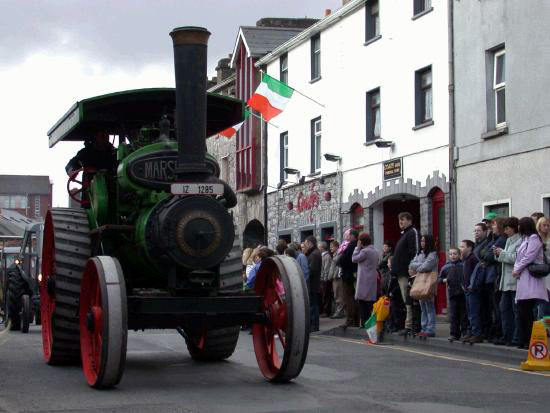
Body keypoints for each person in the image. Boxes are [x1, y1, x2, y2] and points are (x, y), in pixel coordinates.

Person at [513, 217, 549, 349]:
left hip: (530, 279)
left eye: (519, 225)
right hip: (524, 278)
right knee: (523, 311)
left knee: (526, 311)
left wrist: (517, 269)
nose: (518, 228)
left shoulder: (534, 238)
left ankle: (528, 340)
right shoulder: (526, 239)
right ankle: (524, 339)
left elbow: (529, 257)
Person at [65, 129, 117, 206]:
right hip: (90, 196)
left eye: (107, 136)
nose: (105, 138)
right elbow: (71, 165)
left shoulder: (114, 153)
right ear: (95, 137)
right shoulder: (86, 153)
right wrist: (72, 172)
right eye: (102, 136)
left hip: (113, 193)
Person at [494, 217, 522, 346]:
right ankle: (507, 336)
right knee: (504, 309)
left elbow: (517, 258)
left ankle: (516, 337)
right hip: (505, 282)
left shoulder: (520, 240)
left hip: (515, 282)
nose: (505, 231)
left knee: (515, 311)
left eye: (507, 228)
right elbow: (505, 258)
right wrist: (498, 254)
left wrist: (502, 253)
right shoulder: (509, 240)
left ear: (514, 228)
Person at [392, 212, 420, 335]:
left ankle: (410, 326)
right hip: (399, 272)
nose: (400, 223)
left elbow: (415, 251)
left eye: (403, 220)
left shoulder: (412, 232)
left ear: (409, 220)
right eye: (399, 220)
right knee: (404, 300)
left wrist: (412, 268)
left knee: (409, 300)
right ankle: (405, 324)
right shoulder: (405, 234)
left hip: (406, 272)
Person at [409, 234, 438, 337]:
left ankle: (430, 329)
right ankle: (424, 328)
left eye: (424, 241)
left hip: (429, 283)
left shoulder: (433, 254)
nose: (422, 243)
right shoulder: (420, 253)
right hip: (421, 282)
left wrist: (418, 265)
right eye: (421, 241)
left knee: (429, 307)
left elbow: (425, 267)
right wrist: (420, 265)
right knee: (423, 307)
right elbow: (411, 263)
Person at [438, 247, 468, 340]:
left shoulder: (463, 265)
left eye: (455, 254)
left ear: (459, 255)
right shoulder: (446, 267)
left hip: (463, 293)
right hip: (452, 294)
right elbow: (439, 279)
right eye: (451, 254)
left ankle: (465, 333)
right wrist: (443, 280)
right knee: (454, 314)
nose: (453, 256)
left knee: (464, 314)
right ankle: (454, 334)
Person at [352, 233, 379, 327]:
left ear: (361, 242)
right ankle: (371, 323)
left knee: (363, 303)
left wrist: (357, 248)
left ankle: (364, 323)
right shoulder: (375, 251)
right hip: (372, 279)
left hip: (364, 279)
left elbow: (354, 259)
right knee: (370, 303)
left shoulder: (365, 251)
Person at [339, 229, 359, 327]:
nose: (348, 237)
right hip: (352, 274)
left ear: (353, 236)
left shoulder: (351, 245)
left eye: (349, 235)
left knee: (348, 298)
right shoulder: (355, 245)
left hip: (348, 275)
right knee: (353, 297)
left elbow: (344, 259)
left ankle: (350, 319)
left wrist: (339, 261)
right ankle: (355, 319)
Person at [305, 236, 322, 332]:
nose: (305, 245)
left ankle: (314, 325)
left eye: (306, 243)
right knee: (313, 304)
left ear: (310, 243)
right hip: (313, 283)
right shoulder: (313, 253)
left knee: (313, 305)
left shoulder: (315, 254)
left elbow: (312, 270)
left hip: (313, 284)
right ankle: (313, 325)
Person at [535, 217, 550, 318]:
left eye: (548, 225)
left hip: (548, 273)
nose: (546, 227)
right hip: (540, 273)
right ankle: (542, 330)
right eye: (544, 225)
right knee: (541, 304)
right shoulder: (535, 239)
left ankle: (546, 330)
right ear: (539, 226)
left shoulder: (549, 239)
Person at [329, 240, 345, 319]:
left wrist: (334, 275)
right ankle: (338, 311)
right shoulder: (335, 255)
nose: (330, 248)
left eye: (332, 247)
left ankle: (340, 312)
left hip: (337, 278)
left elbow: (338, 267)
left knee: (339, 295)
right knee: (336, 295)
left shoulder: (339, 254)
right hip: (334, 277)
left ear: (336, 247)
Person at [319, 241, 333, 317]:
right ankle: (324, 310)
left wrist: (324, 278)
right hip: (322, 279)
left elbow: (326, 269)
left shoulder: (327, 256)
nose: (318, 248)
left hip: (325, 279)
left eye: (319, 247)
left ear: (322, 247)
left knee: (326, 295)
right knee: (323, 295)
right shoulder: (322, 256)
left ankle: (327, 311)